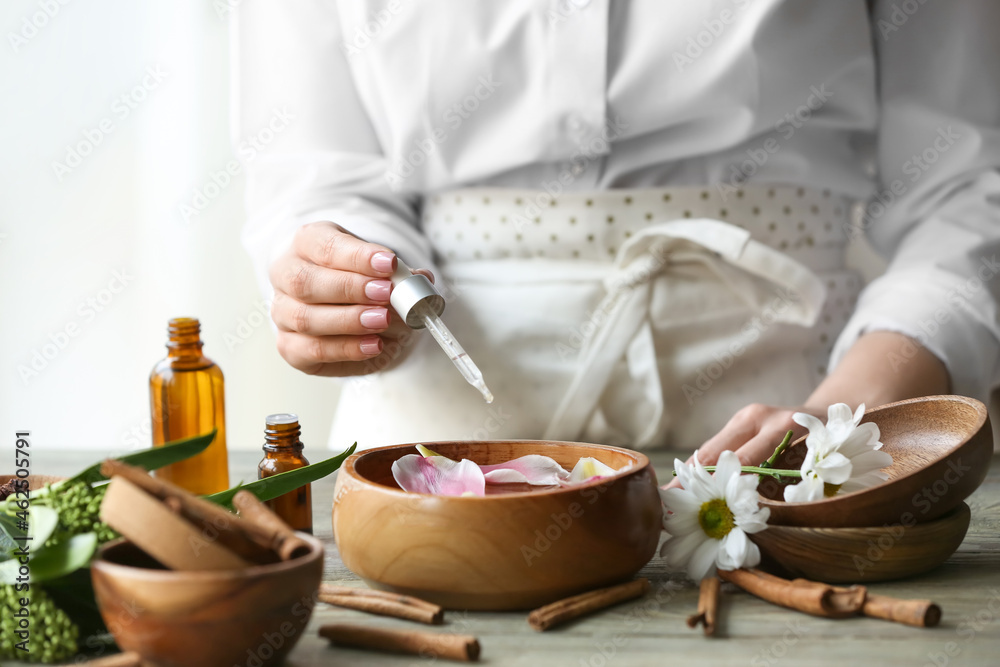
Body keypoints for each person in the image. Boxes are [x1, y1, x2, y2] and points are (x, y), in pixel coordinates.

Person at [236, 1, 1000, 467]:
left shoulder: (833, 428)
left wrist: (851, 413)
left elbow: (968, 182)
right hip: (429, 461)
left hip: (799, 428)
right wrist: (341, 273)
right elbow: (313, 169)